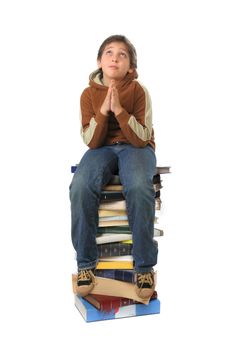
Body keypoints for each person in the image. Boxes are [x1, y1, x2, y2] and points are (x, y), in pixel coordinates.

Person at [70, 34, 158, 299]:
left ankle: (143, 267)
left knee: (140, 186)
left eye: (123, 55)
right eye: (109, 52)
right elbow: (91, 141)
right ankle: (86, 265)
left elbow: (142, 137)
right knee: (80, 187)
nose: (115, 58)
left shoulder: (139, 90)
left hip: (136, 147)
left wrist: (120, 110)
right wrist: (104, 112)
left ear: (130, 67)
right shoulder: (87, 94)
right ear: (99, 61)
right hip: (103, 149)